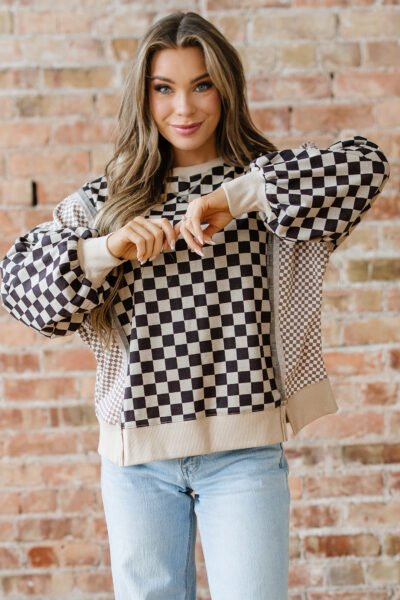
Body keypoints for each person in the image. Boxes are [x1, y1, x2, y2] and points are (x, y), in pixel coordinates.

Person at [0, 10, 390, 600]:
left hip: (244, 458)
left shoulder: (270, 193)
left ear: (226, 89)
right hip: (137, 466)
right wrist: (108, 249)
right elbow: (21, 291)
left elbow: (367, 164)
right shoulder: (105, 205)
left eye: (201, 85)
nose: (183, 107)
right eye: (164, 88)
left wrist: (237, 197)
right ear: (143, 97)